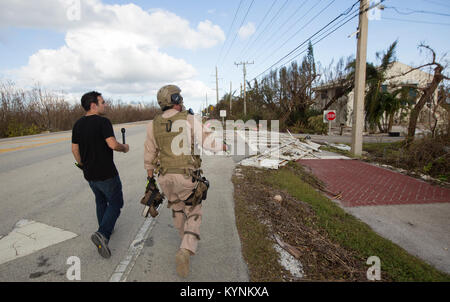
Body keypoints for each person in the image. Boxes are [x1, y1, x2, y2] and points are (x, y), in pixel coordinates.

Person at [143, 84, 225, 278]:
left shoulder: (152, 124)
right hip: (186, 177)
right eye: (179, 97)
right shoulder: (188, 119)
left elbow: (149, 155)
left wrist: (150, 181)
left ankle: (183, 240)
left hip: (164, 178)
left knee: (177, 209)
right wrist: (223, 145)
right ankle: (186, 249)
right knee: (194, 211)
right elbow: (208, 142)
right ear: (176, 100)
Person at [71, 91, 129, 259]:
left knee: (100, 199)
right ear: (93, 105)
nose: (105, 105)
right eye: (103, 102)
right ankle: (103, 233)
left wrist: (83, 164)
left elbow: (75, 149)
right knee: (116, 202)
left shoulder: (78, 124)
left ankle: (103, 225)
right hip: (106, 172)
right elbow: (112, 144)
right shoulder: (103, 122)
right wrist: (124, 148)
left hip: (89, 174)